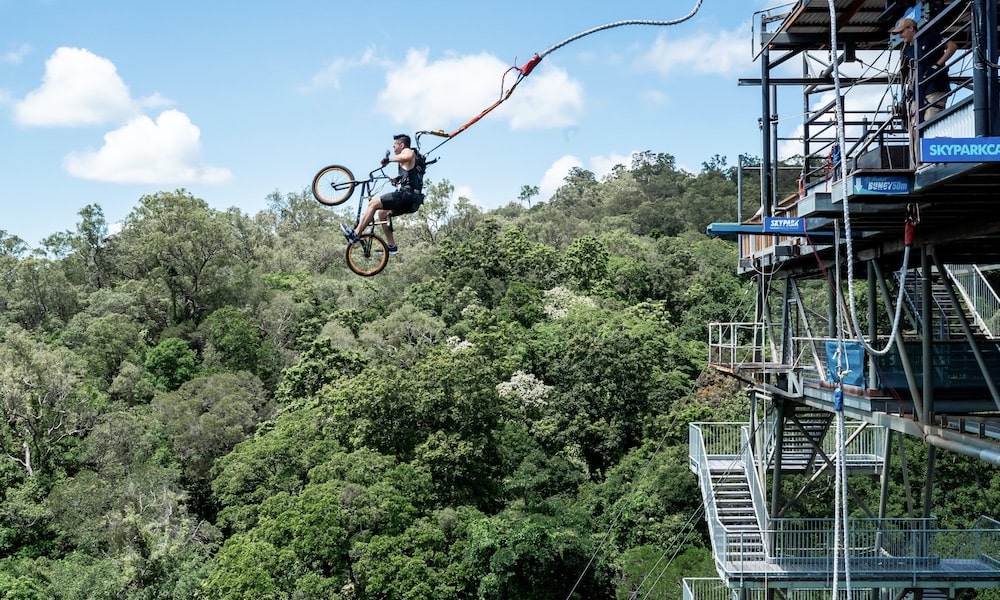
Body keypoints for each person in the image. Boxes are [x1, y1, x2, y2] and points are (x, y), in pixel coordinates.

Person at [340, 133, 425, 254]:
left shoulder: (408, 152)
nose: (393, 148)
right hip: (413, 201)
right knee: (382, 213)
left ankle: (355, 234)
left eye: (394, 146)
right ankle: (392, 246)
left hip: (407, 196)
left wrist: (388, 159)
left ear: (402, 145)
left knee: (373, 204)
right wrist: (397, 179)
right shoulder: (411, 161)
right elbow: (409, 175)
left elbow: (405, 156)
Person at [892, 16, 957, 160]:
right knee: (914, 127)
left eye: (902, 31)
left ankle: (931, 160)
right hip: (918, 91)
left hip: (935, 87)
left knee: (930, 122)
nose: (900, 35)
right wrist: (910, 87)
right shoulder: (909, 49)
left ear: (911, 29)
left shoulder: (929, 36)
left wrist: (937, 65)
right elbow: (915, 69)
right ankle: (919, 162)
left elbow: (952, 46)